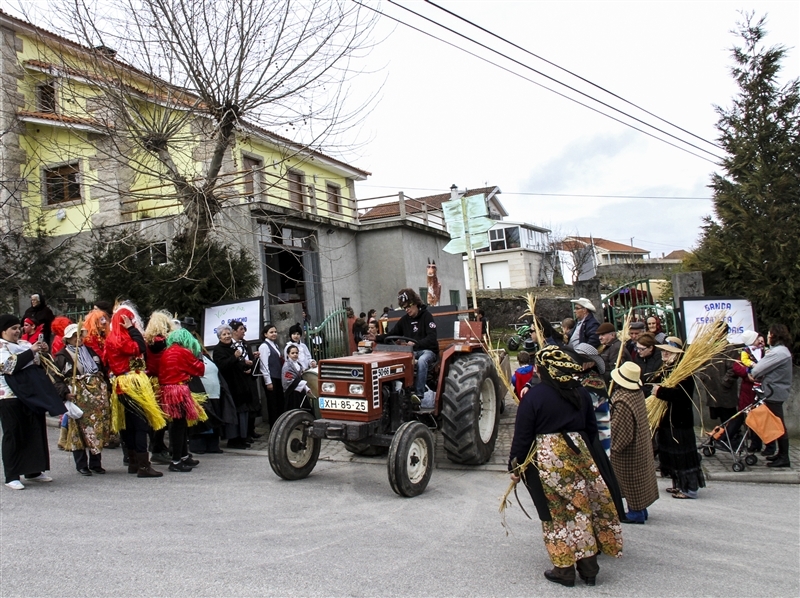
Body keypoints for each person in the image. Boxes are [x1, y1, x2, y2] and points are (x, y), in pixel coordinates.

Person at [509, 346, 623, 587]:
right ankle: (589, 568)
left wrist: (516, 466)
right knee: (581, 510)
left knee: (556, 514)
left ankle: (564, 570)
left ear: (544, 370)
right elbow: (591, 430)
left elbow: (522, 436)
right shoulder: (580, 392)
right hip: (580, 455)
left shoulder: (534, 397)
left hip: (549, 461)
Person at [0, 314, 65, 490]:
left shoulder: (24, 344)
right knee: (13, 434)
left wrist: (42, 350)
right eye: (13, 328)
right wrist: (32, 352)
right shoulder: (2, 347)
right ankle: (12, 475)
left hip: (30, 394)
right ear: (3, 331)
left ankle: (34, 470)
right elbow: (9, 366)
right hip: (9, 396)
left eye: (18, 328)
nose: (17, 331)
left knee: (35, 431)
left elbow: (37, 363)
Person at [104, 302, 166, 478]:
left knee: (128, 425)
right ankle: (143, 466)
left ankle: (133, 462)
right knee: (140, 425)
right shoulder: (123, 338)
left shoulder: (110, 339)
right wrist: (132, 329)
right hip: (132, 383)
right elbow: (139, 347)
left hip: (120, 384)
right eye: (130, 320)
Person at [52, 323, 111, 476]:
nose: (77, 339)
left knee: (96, 428)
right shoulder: (62, 356)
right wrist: (65, 393)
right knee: (78, 429)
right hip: (78, 396)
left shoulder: (90, 352)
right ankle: (81, 464)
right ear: (67, 339)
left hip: (96, 397)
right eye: (74, 337)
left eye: (79, 336)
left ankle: (96, 462)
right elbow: (56, 378)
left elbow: (102, 371)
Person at [651, 342, 705, 499]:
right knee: (672, 455)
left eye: (669, 352)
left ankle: (689, 488)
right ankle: (678, 484)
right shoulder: (668, 369)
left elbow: (680, 396)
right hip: (669, 420)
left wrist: (659, 391)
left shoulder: (685, 372)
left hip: (680, 421)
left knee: (683, 457)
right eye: (663, 352)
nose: (664, 355)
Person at [609, 361, 659, 524]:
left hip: (630, 449)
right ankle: (640, 509)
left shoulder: (622, 400)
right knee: (639, 478)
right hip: (641, 442)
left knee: (631, 479)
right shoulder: (636, 393)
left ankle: (636, 511)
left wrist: (613, 447)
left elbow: (621, 431)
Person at [381, 288, 438, 407]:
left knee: (422, 361)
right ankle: (397, 394)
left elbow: (432, 338)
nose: (407, 310)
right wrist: (375, 338)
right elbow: (391, 334)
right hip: (410, 352)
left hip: (427, 351)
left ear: (415, 303)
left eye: (408, 306)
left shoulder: (427, 316)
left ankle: (419, 395)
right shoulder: (404, 320)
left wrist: (416, 344)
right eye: (404, 308)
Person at [158, 329, 205, 472]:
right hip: (178, 391)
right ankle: (176, 461)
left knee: (179, 424)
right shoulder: (183, 352)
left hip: (167, 390)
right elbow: (200, 369)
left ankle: (183, 456)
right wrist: (199, 357)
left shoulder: (167, 351)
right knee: (179, 426)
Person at [750, 324, 793, 468]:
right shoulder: (781, 351)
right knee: (776, 422)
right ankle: (781, 454)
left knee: (778, 424)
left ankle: (784, 457)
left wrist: (756, 373)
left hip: (774, 392)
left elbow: (757, 370)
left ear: (775, 335)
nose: (768, 337)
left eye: (769, 334)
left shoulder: (778, 353)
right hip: (775, 391)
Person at [213, 324, 253, 449]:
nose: (227, 336)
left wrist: (245, 366)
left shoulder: (232, 347)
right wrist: (234, 357)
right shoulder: (218, 350)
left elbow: (238, 363)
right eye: (224, 334)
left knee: (243, 412)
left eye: (228, 334)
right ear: (219, 337)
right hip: (230, 387)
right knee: (234, 413)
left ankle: (242, 437)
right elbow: (223, 365)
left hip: (240, 385)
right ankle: (234, 439)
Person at [696, 325, 739, 425]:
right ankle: (722, 437)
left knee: (729, 417)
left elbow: (733, 369)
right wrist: (704, 378)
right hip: (713, 389)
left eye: (718, 331)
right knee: (720, 417)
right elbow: (702, 365)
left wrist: (725, 383)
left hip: (725, 391)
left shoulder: (730, 349)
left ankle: (733, 438)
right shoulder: (709, 349)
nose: (715, 333)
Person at [574, 343, 611, 456]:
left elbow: (581, 411)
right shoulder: (581, 377)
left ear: (590, 363)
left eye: (580, 360)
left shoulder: (593, 384)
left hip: (598, 439)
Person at [731, 330, 765, 452]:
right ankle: (754, 443)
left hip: (762, 388)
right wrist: (746, 373)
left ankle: (765, 445)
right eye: (757, 338)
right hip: (748, 389)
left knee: (761, 417)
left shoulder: (764, 351)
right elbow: (736, 366)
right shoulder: (745, 352)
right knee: (749, 416)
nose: (760, 340)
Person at [230, 321, 261, 442]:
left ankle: (251, 430)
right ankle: (245, 433)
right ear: (234, 331)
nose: (243, 331)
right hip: (239, 378)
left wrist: (253, 362)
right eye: (241, 329)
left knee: (253, 403)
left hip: (249, 377)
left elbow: (250, 359)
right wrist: (243, 368)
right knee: (244, 406)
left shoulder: (246, 344)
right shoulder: (231, 346)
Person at [258, 324, 285, 427]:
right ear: (265, 334)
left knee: (279, 403)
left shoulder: (275, 345)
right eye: (271, 332)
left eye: (275, 332)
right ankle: (273, 427)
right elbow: (264, 365)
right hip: (271, 378)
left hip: (277, 377)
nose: (274, 334)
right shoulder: (264, 346)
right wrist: (268, 382)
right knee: (273, 405)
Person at [282, 344, 311, 411]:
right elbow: (289, 381)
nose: (295, 354)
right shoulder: (287, 366)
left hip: (299, 391)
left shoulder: (298, 364)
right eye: (292, 353)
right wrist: (305, 387)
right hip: (292, 392)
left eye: (296, 353)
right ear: (288, 354)